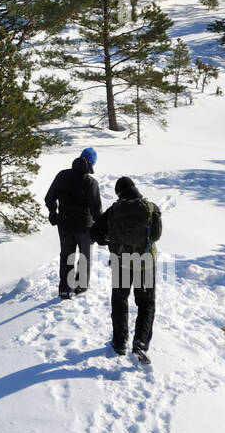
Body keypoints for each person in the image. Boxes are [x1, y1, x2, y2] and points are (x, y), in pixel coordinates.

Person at [91, 176, 163, 363]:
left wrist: (106, 239)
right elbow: (156, 235)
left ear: (119, 193)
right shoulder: (151, 208)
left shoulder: (114, 210)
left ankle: (119, 342)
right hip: (145, 263)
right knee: (146, 304)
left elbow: (94, 232)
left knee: (120, 301)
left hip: (121, 263)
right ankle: (140, 342)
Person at [44, 148, 101, 299]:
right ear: (92, 164)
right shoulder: (90, 182)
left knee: (67, 255)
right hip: (85, 226)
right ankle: (80, 287)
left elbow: (49, 198)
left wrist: (53, 212)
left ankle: (65, 289)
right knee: (84, 256)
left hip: (65, 224)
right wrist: (100, 227)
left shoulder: (62, 175)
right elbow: (96, 209)